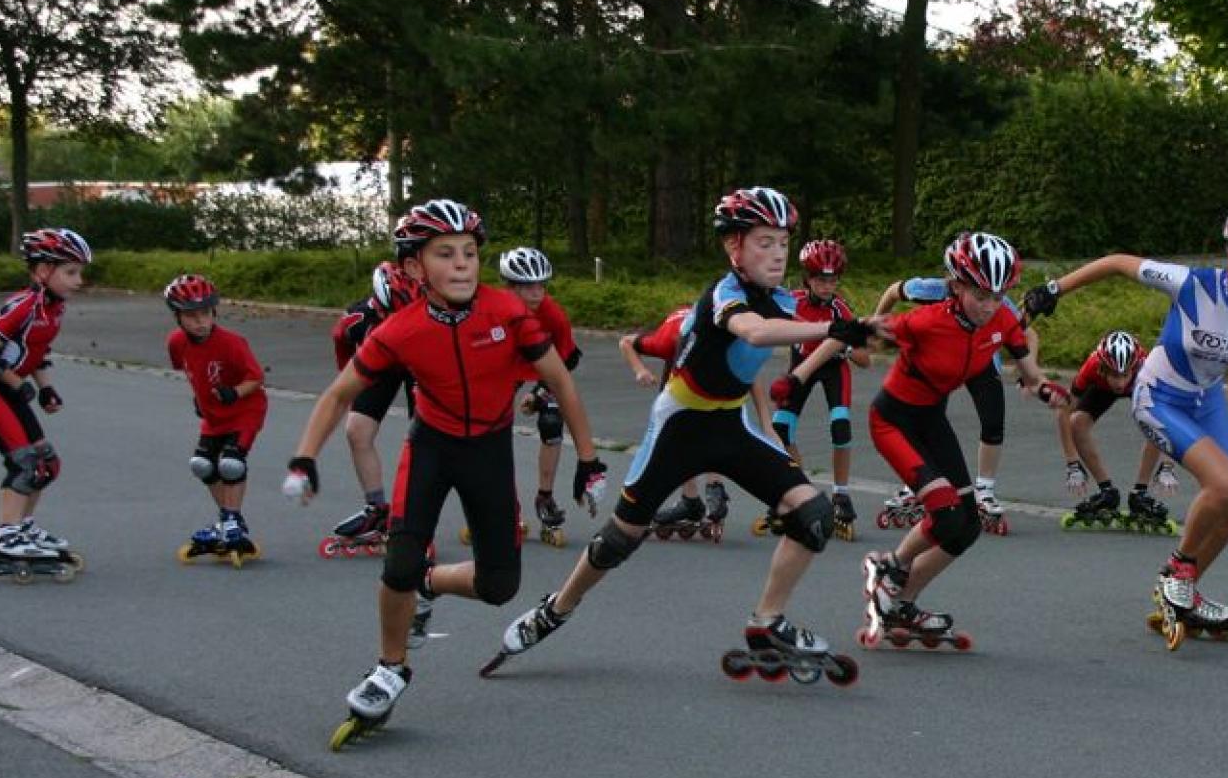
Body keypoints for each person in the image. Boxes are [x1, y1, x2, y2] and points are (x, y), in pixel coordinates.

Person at [487, 187, 873, 683]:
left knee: (813, 516)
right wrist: (834, 331)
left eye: (783, 242)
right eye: (764, 243)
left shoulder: (780, 299)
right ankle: (556, 608)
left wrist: (770, 423)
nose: (777, 253)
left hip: (730, 425)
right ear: (734, 247)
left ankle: (767, 621)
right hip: (680, 427)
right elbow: (754, 333)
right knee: (619, 540)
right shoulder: (724, 295)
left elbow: (752, 363)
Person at [282, 198, 607, 746]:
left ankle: (430, 584)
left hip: (489, 451)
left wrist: (589, 460)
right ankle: (390, 668)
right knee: (400, 560)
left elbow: (560, 381)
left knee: (499, 586)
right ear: (414, 266)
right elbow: (339, 394)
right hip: (431, 446)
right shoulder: (399, 329)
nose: (461, 264)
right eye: (445, 254)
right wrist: (304, 457)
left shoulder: (508, 312)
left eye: (469, 253)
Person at [1022, 202, 1228, 648]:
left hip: (1206, 400)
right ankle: (1177, 572)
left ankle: (1184, 593)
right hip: (1159, 395)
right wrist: (1054, 289)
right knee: (1227, 483)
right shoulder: (1190, 283)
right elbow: (1117, 262)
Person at [859, 231, 1067, 649]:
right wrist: (800, 375)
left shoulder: (1002, 320)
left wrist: (1045, 389)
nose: (989, 306)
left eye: (998, 295)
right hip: (893, 422)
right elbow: (854, 334)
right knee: (943, 510)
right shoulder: (925, 321)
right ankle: (891, 566)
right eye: (980, 295)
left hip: (931, 420)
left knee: (967, 527)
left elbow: (1029, 372)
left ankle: (902, 604)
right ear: (956, 286)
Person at [871, 256, 1043, 535]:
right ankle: (916, 484)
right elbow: (893, 291)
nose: (989, 304)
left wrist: (1028, 373)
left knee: (993, 420)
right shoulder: (931, 289)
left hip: (980, 360)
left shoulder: (995, 300)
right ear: (956, 284)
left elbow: (1028, 335)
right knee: (925, 420)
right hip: (940, 361)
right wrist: (877, 326)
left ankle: (984, 490)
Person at [0, 228, 89, 583]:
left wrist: (46, 389)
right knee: (25, 462)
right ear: (42, 271)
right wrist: (16, 383)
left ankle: (22, 527)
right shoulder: (24, 304)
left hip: (8, 388)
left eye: (80, 272)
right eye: (70, 272)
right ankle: (8, 538)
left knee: (47, 464)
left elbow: (37, 353)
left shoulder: (54, 308)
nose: (79, 281)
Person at [763, 238, 870, 539]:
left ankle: (841, 494)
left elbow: (865, 360)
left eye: (832, 280)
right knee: (781, 430)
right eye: (821, 280)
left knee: (840, 425)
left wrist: (842, 345)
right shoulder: (791, 301)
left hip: (834, 370)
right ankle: (800, 491)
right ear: (807, 279)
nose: (827, 286)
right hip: (800, 370)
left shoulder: (840, 310)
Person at [164, 274, 269, 565]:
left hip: (245, 410)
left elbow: (256, 378)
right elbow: (191, 370)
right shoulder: (176, 343)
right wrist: (199, 399)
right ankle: (229, 520)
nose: (200, 322)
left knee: (231, 464)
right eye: (191, 316)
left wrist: (234, 393)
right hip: (214, 414)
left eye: (205, 314)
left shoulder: (231, 343)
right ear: (178, 317)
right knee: (201, 464)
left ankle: (231, 519)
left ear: (214, 312)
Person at [323, 260, 423, 556]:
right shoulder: (356, 319)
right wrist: (348, 379)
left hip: (418, 365)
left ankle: (413, 515)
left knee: (424, 438)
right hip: (379, 364)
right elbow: (340, 342)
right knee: (356, 431)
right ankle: (377, 509)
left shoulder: (429, 311)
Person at [617, 305, 733, 540]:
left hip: (712, 378)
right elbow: (626, 342)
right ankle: (693, 500)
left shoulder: (723, 337)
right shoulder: (666, 340)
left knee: (709, 430)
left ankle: (710, 491)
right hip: (677, 387)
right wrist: (640, 370)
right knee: (677, 440)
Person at [498, 246, 583, 547]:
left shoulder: (553, 315)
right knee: (491, 430)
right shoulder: (493, 310)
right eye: (528, 287)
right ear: (510, 287)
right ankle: (504, 502)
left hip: (543, 365)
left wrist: (537, 394)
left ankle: (544, 498)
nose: (537, 293)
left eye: (541, 286)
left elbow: (568, 360)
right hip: (504, 368)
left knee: (551, 422)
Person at [1057, 329, 1178, 533]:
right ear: (1103, 368)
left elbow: (1168, 417)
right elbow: (1063, 411)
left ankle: (1140, 492)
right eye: (1114, 375)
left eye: (1124, 375)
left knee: (1154, 421)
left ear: (1133, 368)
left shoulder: (1148, 368)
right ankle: (1107, 491)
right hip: (1101, 387)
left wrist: (1167, 466)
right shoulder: (1091, 367)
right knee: (1077, 422)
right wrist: (1072, 463)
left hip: (1139, 384)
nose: (1120, 383)